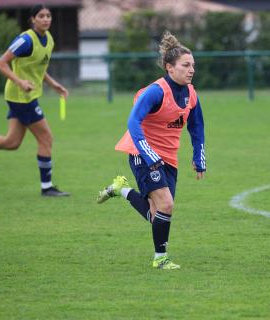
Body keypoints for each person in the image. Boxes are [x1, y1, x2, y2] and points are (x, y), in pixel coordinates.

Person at [96, 31, 206, 270]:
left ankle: (120, 190)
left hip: (168, 158)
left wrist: (199, 156)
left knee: (157, 215)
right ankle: (160, 258)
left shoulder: (191, 94)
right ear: (169, 67)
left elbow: (197, 126)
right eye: (186, 65)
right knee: (166, 205)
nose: (191, 70)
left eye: (193, 65)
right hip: (142, 153)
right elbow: (133, 123)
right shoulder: (156, 92)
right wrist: (148, 154)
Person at [0, 4, 69, 197]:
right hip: (21, 98)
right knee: (46, 138)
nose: (46, 19)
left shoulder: (48, 39)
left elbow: (37, 69)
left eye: (48, 15)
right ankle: (47, 187)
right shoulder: (26, 40)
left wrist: (53, 84)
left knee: (12, 142)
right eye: (41, 16)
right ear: (32, 19)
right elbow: (0, 63)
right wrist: (19, 81)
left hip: (26, 96)